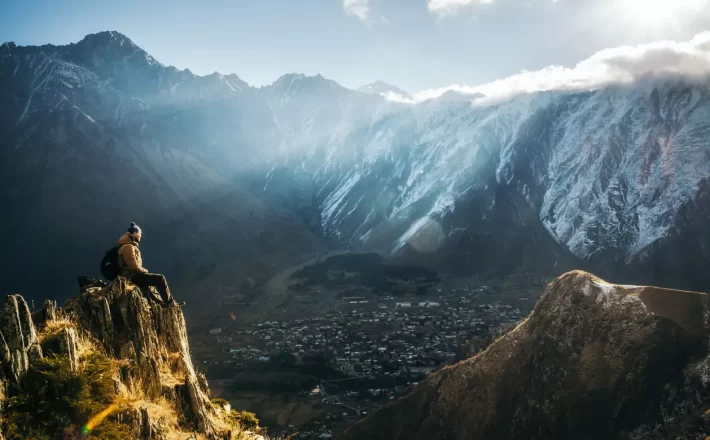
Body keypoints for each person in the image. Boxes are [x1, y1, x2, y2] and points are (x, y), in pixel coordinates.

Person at [117, 222, 185, 307]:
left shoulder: (128, 246)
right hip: (132, 276)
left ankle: (162, 304)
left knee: (150, 286)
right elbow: (133, 266)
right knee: (160, 279)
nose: (140, 235)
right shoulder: (128, 247)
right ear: (134, 233)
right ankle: (169, 302)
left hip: (132, 275)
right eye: (139, 233)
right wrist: (144, 270)